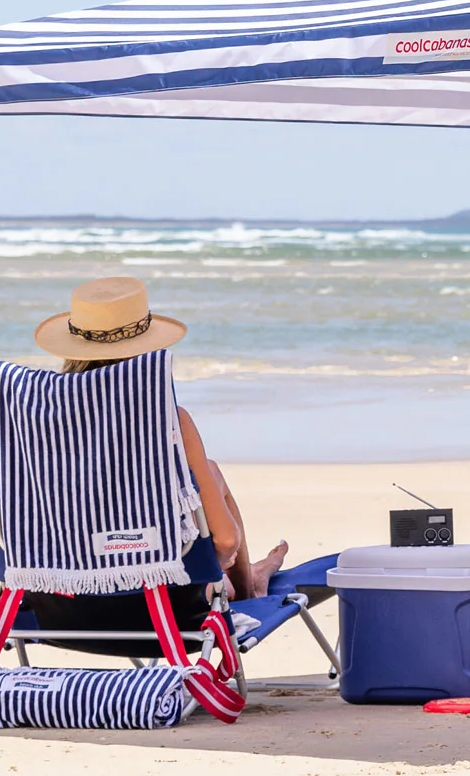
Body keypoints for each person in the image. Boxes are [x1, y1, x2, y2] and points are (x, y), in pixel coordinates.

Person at [23, 275, 287, 652]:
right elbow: (226, 543)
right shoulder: (169, 422)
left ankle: (250, 582)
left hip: (60, 607)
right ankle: (249, 588)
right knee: (206, 475)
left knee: (205, 471)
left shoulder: (35, 422)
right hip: (164, 612)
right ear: (146, 348)